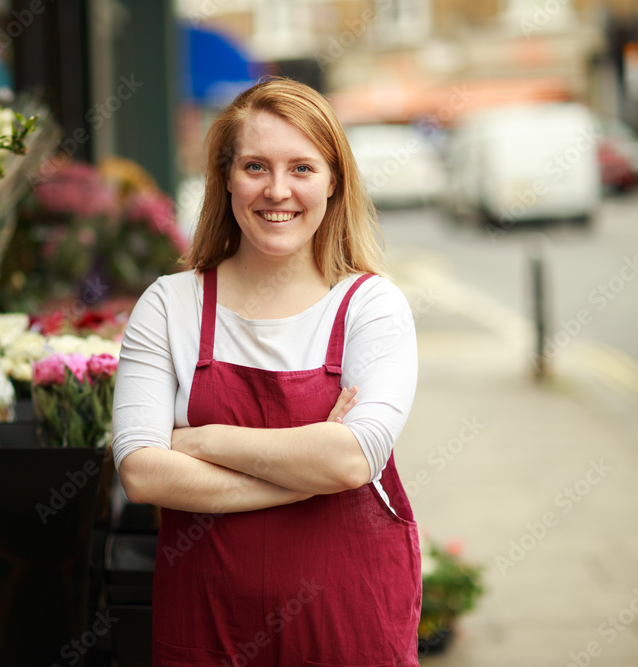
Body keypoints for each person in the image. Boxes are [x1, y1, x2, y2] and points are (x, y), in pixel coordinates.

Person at [111, 77, 421, 666]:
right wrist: (309, 474)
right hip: (209, 632)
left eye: (302, 168)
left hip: (350, 632)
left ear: (334, 181)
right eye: (255, 166)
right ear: (225, 177)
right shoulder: (170, 305)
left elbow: (353, 459)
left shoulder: (371, 306)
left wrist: (204, 441)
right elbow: (144, 475)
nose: (277, 190)